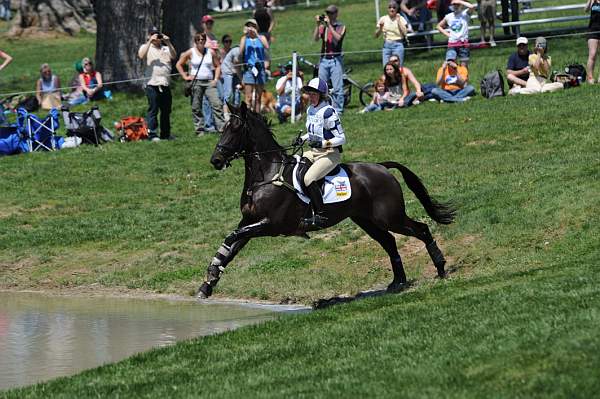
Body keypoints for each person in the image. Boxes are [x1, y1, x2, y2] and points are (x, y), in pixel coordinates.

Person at [296, 77, 346, 229]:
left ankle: (321, 214)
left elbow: (342, 138)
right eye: (309, 93)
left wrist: (324, 143)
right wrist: (302, 138)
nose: (311, 96)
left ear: (322, 95)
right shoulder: (311, 109)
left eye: (314, 93)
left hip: (330, 154)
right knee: (296, 165)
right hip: (314, 151)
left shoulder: (328, 112)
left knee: (309, 178)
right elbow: (313, 132)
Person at [176, 32, 225, 136]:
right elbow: (179, 64)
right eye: (198, 40)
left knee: (217, 104)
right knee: (196, 106)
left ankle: (221, 128)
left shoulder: (210, 52)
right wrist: (185, 76)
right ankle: (199, 130)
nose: (200, 41)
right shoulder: (191, 52)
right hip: (196, 82)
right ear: (195, 41)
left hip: (209, 82)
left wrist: (215, 79)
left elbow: (218, 65)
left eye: (202, 39)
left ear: (205, 40)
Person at [138, 26, 177, 141]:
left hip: (165, 83)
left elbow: (174, 55)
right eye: (153, 35)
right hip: (152, 84)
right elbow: (141, 55)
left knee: (166, 110)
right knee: (153, 109)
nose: (156, 38)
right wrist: (150, 41)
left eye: (157, 35)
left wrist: (168, 42)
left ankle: (165, 134)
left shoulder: (165, 48)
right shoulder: (146, 47)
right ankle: (152, 134)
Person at [313, 4, 346, 114]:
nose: (329, 15)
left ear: (336, 14)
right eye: (327, 13)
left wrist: (329, 26)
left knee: (337, 87)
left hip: (335, 59)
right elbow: (316, 38)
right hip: (324, 60)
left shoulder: (340, 26)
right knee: (321, 86)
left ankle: (339, 110)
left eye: (331, 13)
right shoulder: (323, 27)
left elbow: (338, 38)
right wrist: (318, 25)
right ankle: (322, 108)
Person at [240, 18, 269, 113]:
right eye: (249, 26)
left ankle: (257, 117)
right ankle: (247, 118)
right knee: (248, 97)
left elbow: (267, 46)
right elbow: (240, 52)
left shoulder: (261, 37)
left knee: (258, 96)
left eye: (253, 26)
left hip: (260, 69)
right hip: (249, 68)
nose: (251, 28)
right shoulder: (245, 39)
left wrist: (256, 34)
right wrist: (245, 35)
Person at [437, 0, 476, 66]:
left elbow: (472, 7)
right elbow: (438, 26)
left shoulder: (465, 14)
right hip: (452, 44)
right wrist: (448, 35)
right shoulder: (448, 16)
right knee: (451, 64)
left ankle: (462, 75)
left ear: (461, 5)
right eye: (454, 4)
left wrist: (459, 1)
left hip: (463, 44)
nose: (455, 6)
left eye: (457, 4)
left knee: (464, 67)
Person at [375, 1, 409, 67]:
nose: (392, 9)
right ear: (387, 9)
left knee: (398, 68)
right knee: (386, 68)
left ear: (397, 9)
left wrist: (398, 21)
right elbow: (376, 35)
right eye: (390, 7)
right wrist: (381, 27)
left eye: (394, 7)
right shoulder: (383, 19)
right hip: (386, 46)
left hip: (398, 45)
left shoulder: (401, 18)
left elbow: (405, 32)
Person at [220, 37, 242, 117]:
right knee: (228, 93)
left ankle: (235, 112)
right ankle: (225, 114)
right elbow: (237, 66)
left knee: (237, 91)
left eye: (230, 41)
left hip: (235, 72)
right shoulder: (237, 51)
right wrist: (242, 79)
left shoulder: (245, 51)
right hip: (228, 71)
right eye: (226, 41)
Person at [586, 0, 600, 84]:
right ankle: (590, 77)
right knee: (593, 54)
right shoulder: (592, 1)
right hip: (593, 30)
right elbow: (585, 10)